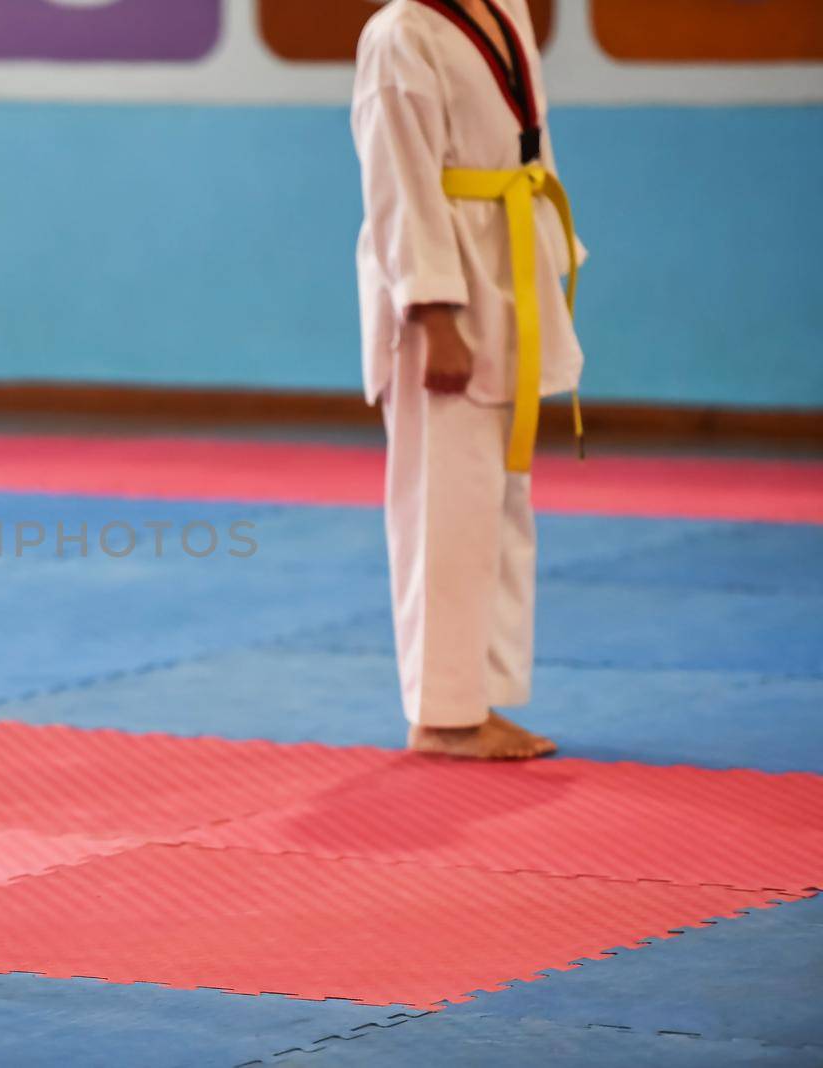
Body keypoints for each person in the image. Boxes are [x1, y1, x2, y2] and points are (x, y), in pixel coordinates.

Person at [352, 0, 584, 759]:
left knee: (496, 499)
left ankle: (479, 693)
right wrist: (431, 314)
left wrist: (554, 258)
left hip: (509, 262)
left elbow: (531, 145)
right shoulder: (398, 35)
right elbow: (398, 188)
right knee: (444, 502)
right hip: (444, 282)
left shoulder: (503, 6)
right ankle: (442, 713)